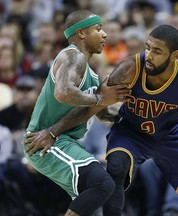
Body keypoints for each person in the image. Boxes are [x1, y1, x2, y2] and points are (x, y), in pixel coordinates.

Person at [24, 25, 178, 216]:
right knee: (116, 168)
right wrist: (53, 131)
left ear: (175, 55)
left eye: (157, 51)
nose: (149, 55)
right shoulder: (130, 67)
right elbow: (96, 102)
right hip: (131, 131)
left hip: (171, 134)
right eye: (148, 47)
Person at [23, 10, 131, 216]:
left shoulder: (90, 73)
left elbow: (97, 113)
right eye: (98, 29)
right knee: (102, 184)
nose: (105, 35)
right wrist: (101, 98)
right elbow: (64, 93)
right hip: (45, 140)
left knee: (105, 189)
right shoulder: (73, 56)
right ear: (81, 33)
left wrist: (127, 114)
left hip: (63, 141)